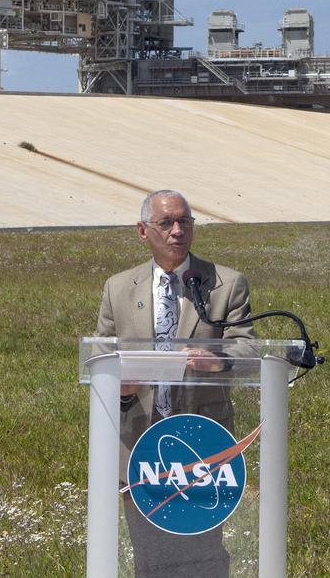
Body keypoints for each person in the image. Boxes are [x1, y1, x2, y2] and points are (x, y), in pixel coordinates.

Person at [96, 189, 254, 578]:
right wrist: (118, 385)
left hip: (204, 444)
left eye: (185, 221)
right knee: (149, 557)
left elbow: (249, 348)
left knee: (204, 555)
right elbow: (99, 359)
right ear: (142, 231)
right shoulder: (118, 288)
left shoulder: (225, 283)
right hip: (139, 443)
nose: (177, 231)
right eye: (166, 223)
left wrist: (218, 360)